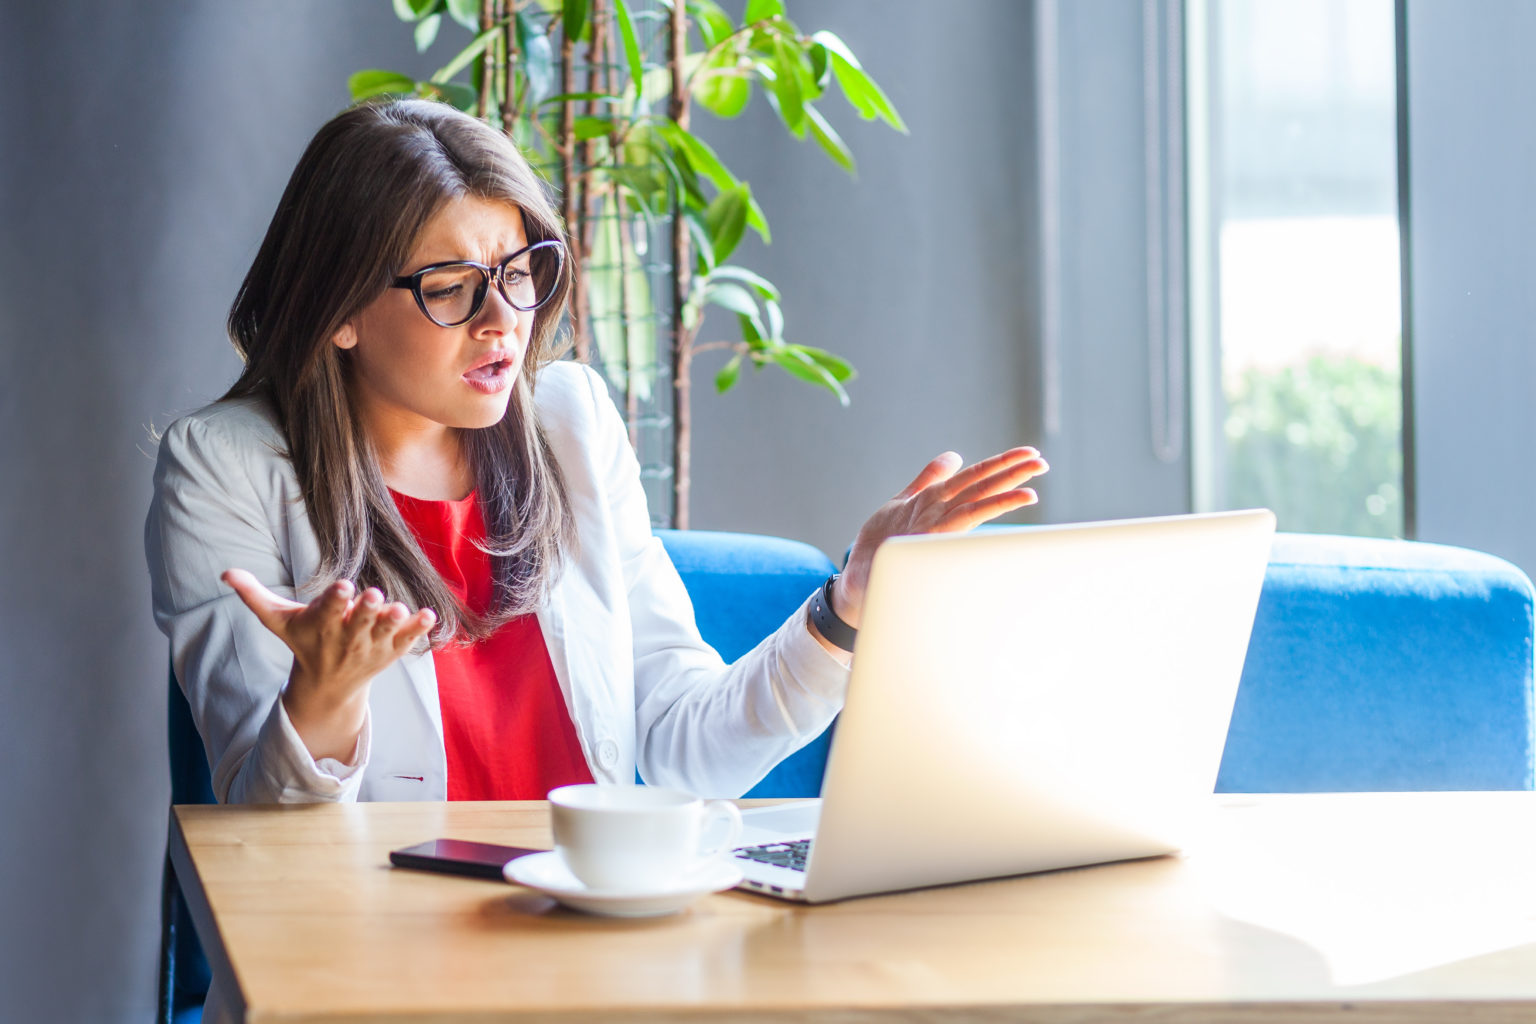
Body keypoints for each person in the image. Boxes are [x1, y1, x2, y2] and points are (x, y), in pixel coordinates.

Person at [145, 98, 1048, 810]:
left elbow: (688, 745)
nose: (504, 319)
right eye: (453, 287)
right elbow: (260, 841)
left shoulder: (569, 420)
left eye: (521, 269)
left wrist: (848, 609)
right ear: (338, 309)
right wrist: (325, 701)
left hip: (598, 935)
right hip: (382, 958)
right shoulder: (224, 468)